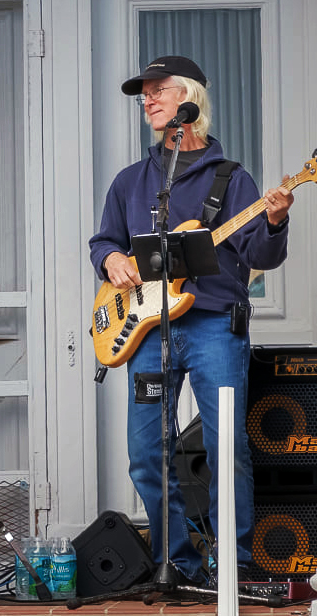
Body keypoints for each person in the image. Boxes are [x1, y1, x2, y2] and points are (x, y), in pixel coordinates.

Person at [88, 56, 294, 584]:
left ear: (189, 98)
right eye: (144, 94)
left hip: (213, 327)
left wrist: (274, 220)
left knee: (227, 447)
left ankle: (234, 564)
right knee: (145, 454)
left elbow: (261, 256)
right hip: (146, 331)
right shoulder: (131, 181)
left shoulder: (232, 179)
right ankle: (178, 561)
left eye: (158, 90)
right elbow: (104, 241)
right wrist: (111, 260)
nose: (148, 100)